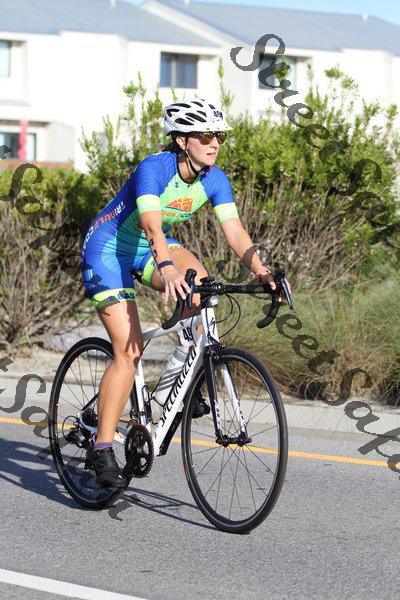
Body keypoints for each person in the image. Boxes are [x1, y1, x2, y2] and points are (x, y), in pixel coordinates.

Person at [81, 97, 289, 487]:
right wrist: (166, 267)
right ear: (181, 140)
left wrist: (261, 271)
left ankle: (175, 388)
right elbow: (151, 223)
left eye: (219, 136)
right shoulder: (154, 168)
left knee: (202, 291)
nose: (215, 143)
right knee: (129, 351)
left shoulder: (215, 178)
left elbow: (234, 231)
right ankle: (102, 446)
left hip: (150, 248)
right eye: (206, 136)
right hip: (108, 248)